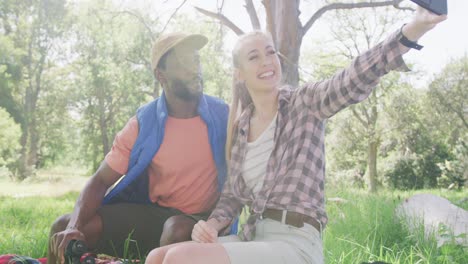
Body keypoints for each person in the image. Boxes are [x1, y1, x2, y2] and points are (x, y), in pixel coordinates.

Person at [144, 7, 447, 264]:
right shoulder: (241, 128)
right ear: (240, 73)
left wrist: (411, 30)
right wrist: (210, 225)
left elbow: (352, 79)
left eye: (270, 52)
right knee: (157, 257)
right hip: (255, 237)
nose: (267, 61)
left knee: (179, 259)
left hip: (296, 245)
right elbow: (232, 197)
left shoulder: (305, 104)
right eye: (254, 57)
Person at [47, 32, 229, 264]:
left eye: (196, 60)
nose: (194, 69)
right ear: (160, 75)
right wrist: (74, 227)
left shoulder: (223, 115)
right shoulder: (144, 123)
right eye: (183, 62)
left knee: (176, 229)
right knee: (60, 227)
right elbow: (101, 180)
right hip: (151, 214)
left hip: (199, 221)